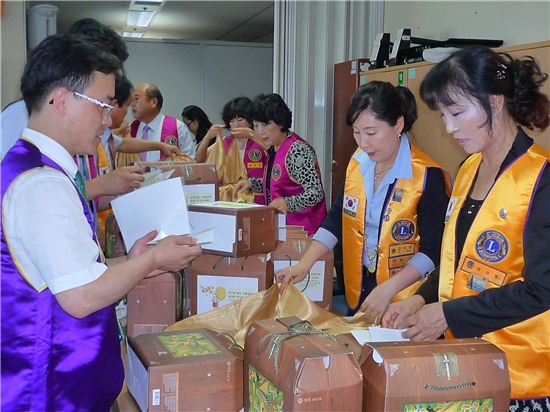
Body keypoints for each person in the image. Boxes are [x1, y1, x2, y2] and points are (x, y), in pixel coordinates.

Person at [0, 34, 202, 411]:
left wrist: (132, 260)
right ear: (61, 101)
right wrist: (153, 261)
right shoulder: (41, 184)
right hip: (50, 390)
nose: (109, 120)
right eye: (101, 105)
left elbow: (71, 271)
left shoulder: (38, 169)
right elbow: (82, 296)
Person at [382, 47, 550, 408]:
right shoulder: (467, 171)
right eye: (443, 115)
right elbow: (455, 262)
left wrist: (445, 315)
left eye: (457, 112)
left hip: (521, 376)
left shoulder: (542, 179)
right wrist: (418, 299)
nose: (449, 127)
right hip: (467, 360)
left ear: (495, 102)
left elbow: (542, 289)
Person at [276, 82, 450, 319]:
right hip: (360, 286)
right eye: (357, 133)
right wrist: (303, 265)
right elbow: (337, 218)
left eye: (371, 133)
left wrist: (388, 289)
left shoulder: (428, 175)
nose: (363, 143)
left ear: (398, 124)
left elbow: (433, 250)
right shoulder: (359, 162)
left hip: (404, 296)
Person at [234, 93, 327, 233]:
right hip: (283, 229)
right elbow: (280, 185)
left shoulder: (297, 150)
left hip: (305, 232)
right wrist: (252, 184)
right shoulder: (274, 148)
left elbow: (315, 193)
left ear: (281, 122)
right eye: (256, 126)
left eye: (265, 125)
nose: (260, 132)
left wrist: (288, 203)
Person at [195, 97, 268, 204]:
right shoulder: (225, 142)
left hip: (257, 197)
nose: (235, 125)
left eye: (240, 120)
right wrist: (207, 137)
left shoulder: (262, 139)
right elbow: (199, 160)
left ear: (251, 120)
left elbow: (273, 152)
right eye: (231, 121)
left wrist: (251, 135)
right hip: (229, 198)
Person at [130, 83, 196, 160]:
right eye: (132, 99)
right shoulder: (130, 128)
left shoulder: (177, 128)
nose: (132, 104)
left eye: (136, 99)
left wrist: (170, 164)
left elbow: (190, 162)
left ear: (153, 102)